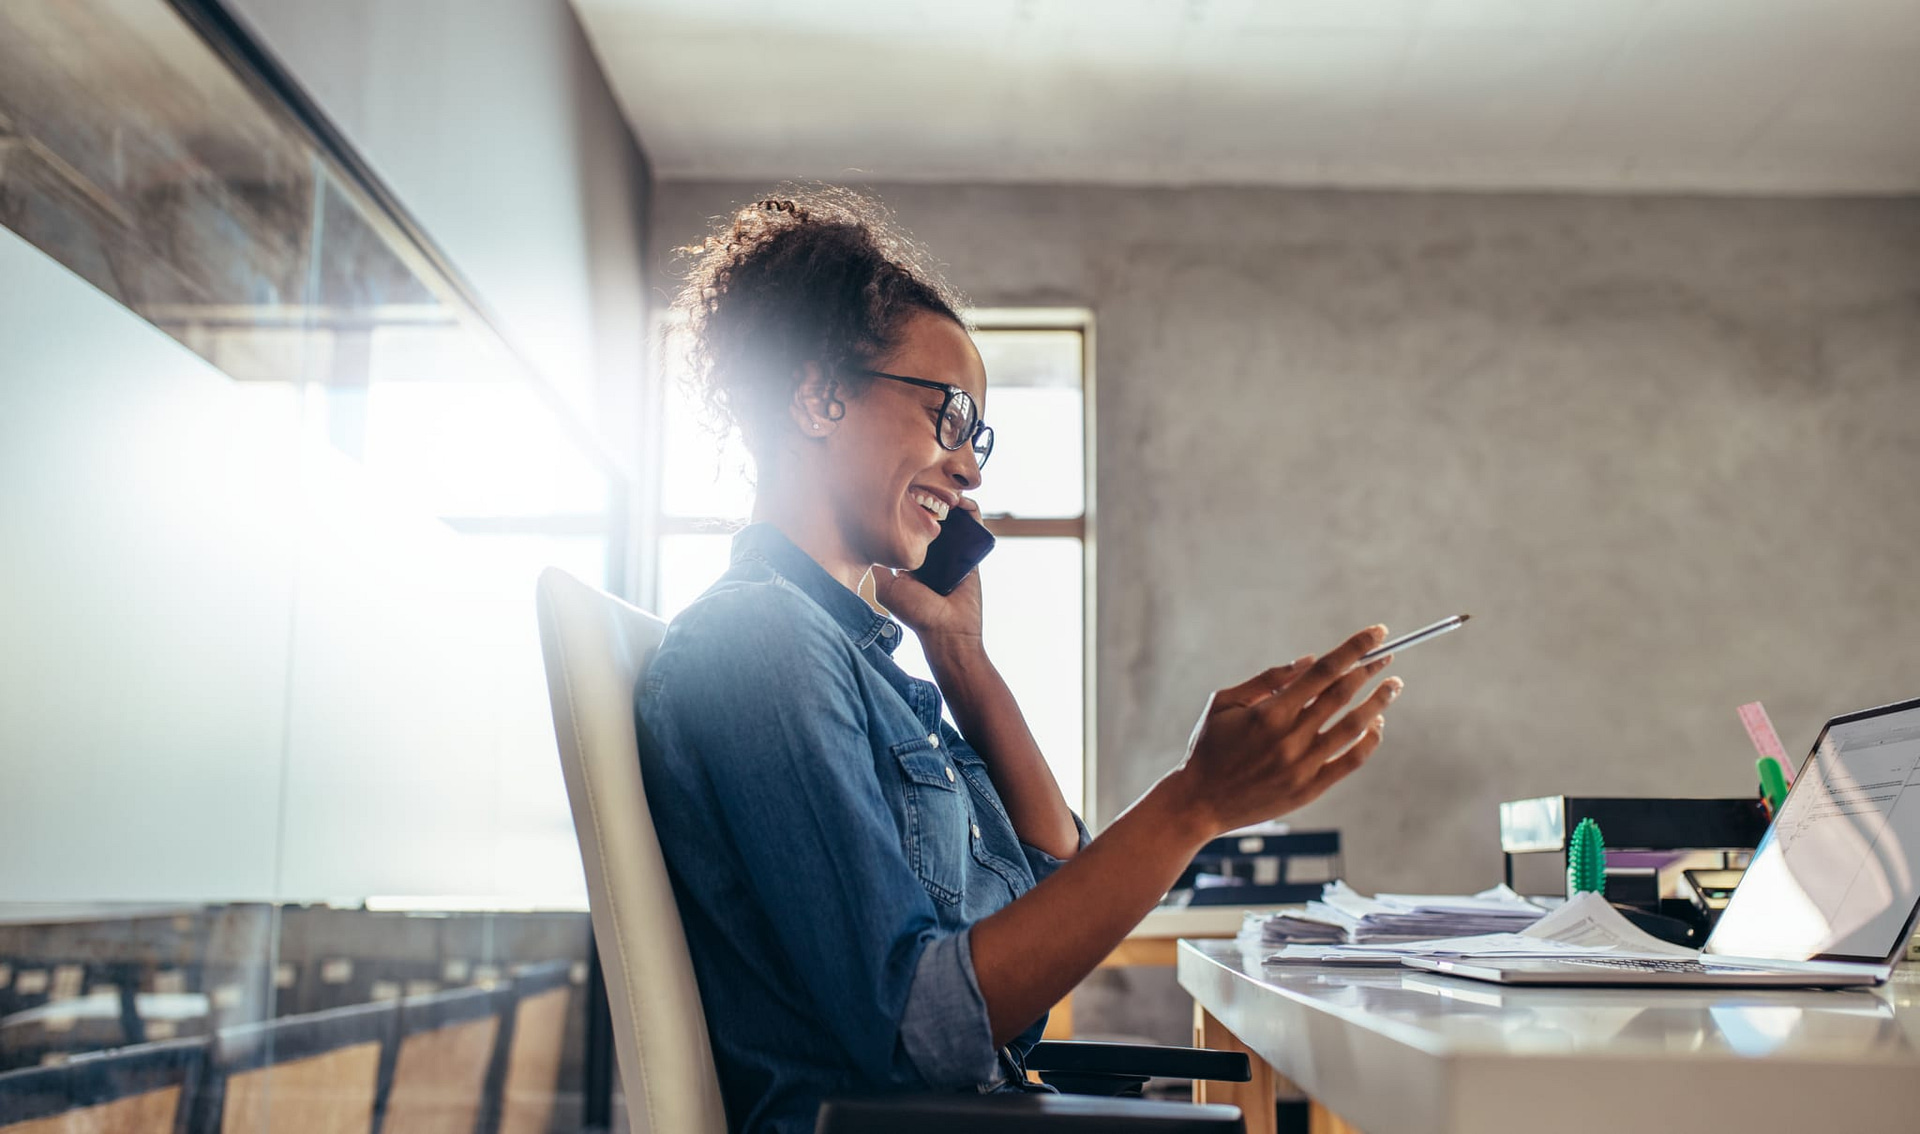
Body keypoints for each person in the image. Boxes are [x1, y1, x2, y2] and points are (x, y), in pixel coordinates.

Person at [637, 188, 1402, 1134]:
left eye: (977, 438)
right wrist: (1192, 804)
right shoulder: (759, 645)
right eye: (949, 418)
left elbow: (1048, 906)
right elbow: (922, 1029)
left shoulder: (862, 663)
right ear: (817, 394)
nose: (970, 470)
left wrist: (964, 658)